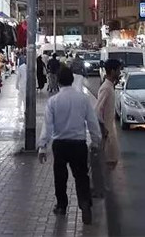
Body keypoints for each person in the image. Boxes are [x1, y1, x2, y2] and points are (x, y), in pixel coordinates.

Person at [38, 68, 102, 225]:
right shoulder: (83, 99)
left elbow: (48, 126)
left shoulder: (53, 101)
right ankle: (85, 203)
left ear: (58, 81)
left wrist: (42, 146)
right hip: (78, 143)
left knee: (60, 177)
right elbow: (92, 122)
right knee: (81, 176)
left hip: (60, 144)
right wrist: (95, 141)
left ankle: (61, 206)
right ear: (72, 81)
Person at [95, 59, 121, 168]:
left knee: (111, 163)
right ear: (112, 71)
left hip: (110, 132)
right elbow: (97, 110)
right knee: (108, 165)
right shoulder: (106, 88)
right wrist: (103, 129)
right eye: (118, 70)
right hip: (107, 133)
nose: (120, 73)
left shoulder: (110, 86)